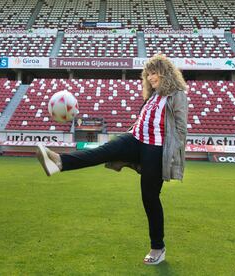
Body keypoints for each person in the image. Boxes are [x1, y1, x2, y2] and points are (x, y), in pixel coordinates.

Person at [36, 54, 188, 265]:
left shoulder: (177, 95)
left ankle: (158, 247)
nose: (152, 77)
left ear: (165, 72)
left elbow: (180, 129)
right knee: (105, 150)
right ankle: (60, 162)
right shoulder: (152, 96)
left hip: (157, 149)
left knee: (150, 197)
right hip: (135, 138)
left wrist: (172, 158)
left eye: (155, 73)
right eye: (149, 74)